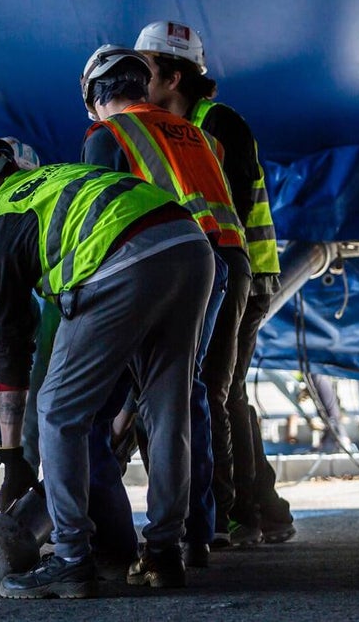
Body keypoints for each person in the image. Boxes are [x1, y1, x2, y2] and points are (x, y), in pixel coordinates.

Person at [0, 135, 214, 599]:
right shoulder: (63, 176)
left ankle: (72, 559)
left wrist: (12, 457)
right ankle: (165, 553)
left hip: (118, 262)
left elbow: (7, 348)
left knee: (57, 410)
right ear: (11, 167)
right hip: (188, 245)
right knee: (168, 408)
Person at [79, 43, 245, 567]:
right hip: (221, 261)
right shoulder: (198, 134)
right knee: (182, 395)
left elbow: (100, 226)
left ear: (94, 97)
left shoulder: (108, 137)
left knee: (91, 407)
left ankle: (111, 543)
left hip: (152, 263)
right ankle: (194, 533)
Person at [135, 20, 294, 545]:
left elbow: (218, 207)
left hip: (233, 271)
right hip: (218, 270)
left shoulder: (214, 124)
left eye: (146, 69)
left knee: (213, 393)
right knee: (223, 393)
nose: (138, 80)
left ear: (174, 76)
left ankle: (233, 514)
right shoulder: (177, 122)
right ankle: (263, 509)